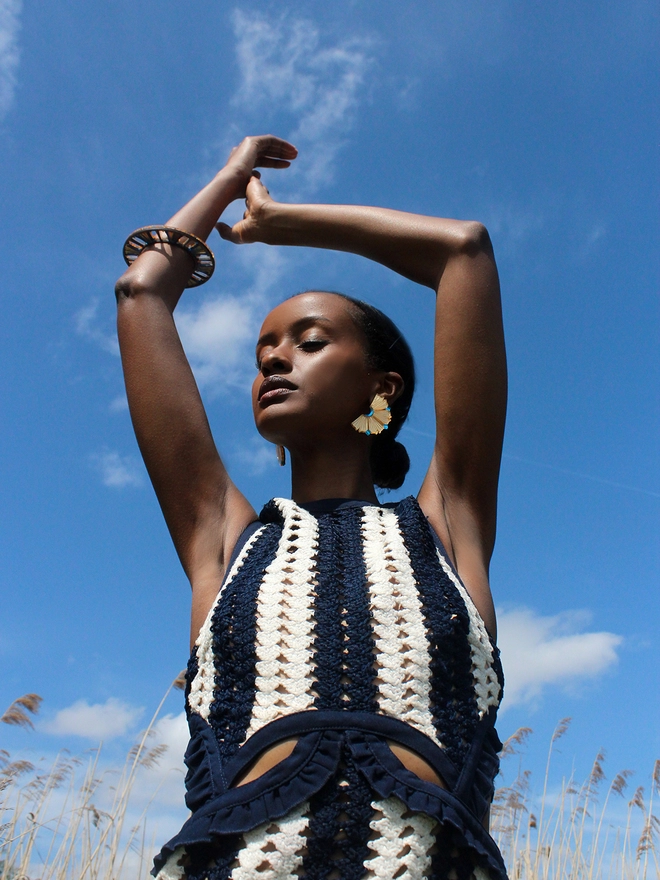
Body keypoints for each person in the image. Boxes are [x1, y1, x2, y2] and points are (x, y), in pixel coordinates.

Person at [115, 135, 508, 880]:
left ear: (381, 389)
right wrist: (228, 180)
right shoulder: (225, 538)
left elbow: (464, 252)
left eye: (309, 340)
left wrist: (283, 221)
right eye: (264, 347)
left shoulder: (446, 523)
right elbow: (141, 295)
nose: (273, 358)